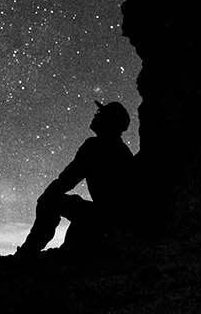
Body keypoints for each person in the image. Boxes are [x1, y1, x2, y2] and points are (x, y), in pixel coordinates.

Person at [22, 102, 139, 256]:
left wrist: (47, 195)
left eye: (100, 113)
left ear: (109, 121)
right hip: (115, 220)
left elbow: (68, 179)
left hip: (108, 219)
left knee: (49, 201)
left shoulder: (95, 147)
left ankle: (29, 252)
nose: (95, 115)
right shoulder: (122, 151)